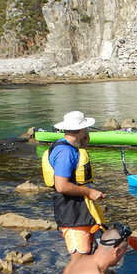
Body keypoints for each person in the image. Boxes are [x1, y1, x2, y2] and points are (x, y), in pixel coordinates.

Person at [41, 111, 106, 261]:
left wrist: (83, 145)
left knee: (88, 253)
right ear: (82, 129)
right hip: (72, 211)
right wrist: (89, 192)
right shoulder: (65, 152)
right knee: (79, 259)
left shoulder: (70, 147)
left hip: (80, 209)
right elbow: (61, 186)